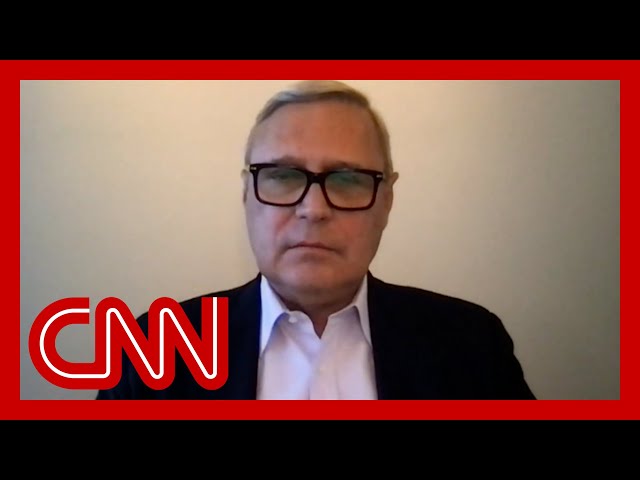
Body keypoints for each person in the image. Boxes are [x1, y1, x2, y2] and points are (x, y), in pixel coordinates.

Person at [96, 80, 536, 400]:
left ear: (386, 200)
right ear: (247, 194)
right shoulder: (155, 347)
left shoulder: (472, 345)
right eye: (283, 176)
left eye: (347, 180)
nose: (313, 209)